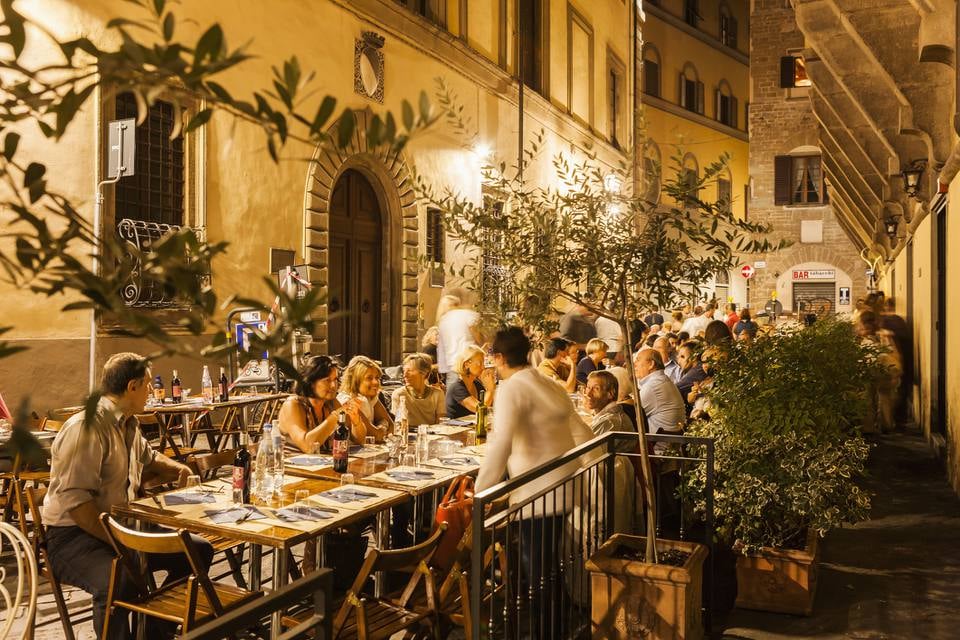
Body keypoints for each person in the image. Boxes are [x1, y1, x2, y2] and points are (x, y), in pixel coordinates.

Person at [43, 353, 214, 640]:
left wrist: (179, 468)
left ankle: (154, 634)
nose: (151, 391)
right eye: (148, 385)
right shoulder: (88, 427)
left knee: (197, 551)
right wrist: (123, 543)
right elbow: (77, 503)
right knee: (120, 580)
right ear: (132, 386)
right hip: (73, 535)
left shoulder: (127, 423)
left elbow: (150, 458)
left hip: (122, 524)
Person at [476, 327, 594, 637]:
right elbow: (581, 432)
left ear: (499, 357)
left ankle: (547, 632)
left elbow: (501, 442)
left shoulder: (512, 388)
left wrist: (481, 491)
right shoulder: (548, 383)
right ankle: (553, 628)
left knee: (540, 572)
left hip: (537, 494)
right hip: (564, 487)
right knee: (549, 570)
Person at [278, 354, 365, 453]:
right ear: (310, 382)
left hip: (321, 464)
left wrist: (356, 419)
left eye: (335, 379)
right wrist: (335, 417)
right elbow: (308, 446)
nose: (333, 385)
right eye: (327, 380)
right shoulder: (293, 404)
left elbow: (359, 440)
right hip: (292, 465)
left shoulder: (332, 403)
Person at [338, 355, 392, 442]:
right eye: (369, 378)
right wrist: (383, 426)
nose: (375, 382)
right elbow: (374, 434)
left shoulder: (371, 397)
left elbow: (391, 425)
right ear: (355, 380)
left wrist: (383, 426)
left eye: (377, 378)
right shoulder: (346, 401)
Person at [633, 349, 686, 438]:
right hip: (668, 444)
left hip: (657, 448)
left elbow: (632, 416)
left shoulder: (653, 386)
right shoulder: (660, 380)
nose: (634, 364)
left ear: (651, 364)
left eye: (638, 360)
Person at [436, 289, 482, 386]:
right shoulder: (469, 315)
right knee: (474, 395)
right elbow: (478, 337)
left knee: (454, 396)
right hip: (469, 362)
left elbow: (442, 349)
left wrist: (443, 370)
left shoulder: (443, 320)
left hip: (453, 365)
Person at [881, 298, 913, 428]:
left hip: (892, 364)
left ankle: (891, 421)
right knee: (901, 391)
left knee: (888, 395)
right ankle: (900, 421)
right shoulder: (900, 321)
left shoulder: (885, 324)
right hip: (903, 362)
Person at [391, 353, 446, 426]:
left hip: (431, 435)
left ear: (424, 373)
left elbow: (440, 423)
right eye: (404, 371)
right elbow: (397, 424)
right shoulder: (399, 394)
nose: (405, 375)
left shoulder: (437, 394)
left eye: (409, 370)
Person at [445, 345, 496, 419]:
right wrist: (490, 390)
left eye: (483, 363)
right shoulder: (456, 387)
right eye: (480, 363)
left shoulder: (477, 384)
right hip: (457, 429)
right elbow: (480, 409)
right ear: (466, 364)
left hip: (472, 428)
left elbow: (490, 407)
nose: (483, 367)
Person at [676, 341, 709, 409]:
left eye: (682, 357)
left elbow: (674, 389)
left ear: (693, 358)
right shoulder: (692, 369)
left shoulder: (698, 369)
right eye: (678, 356)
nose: (679, 361)